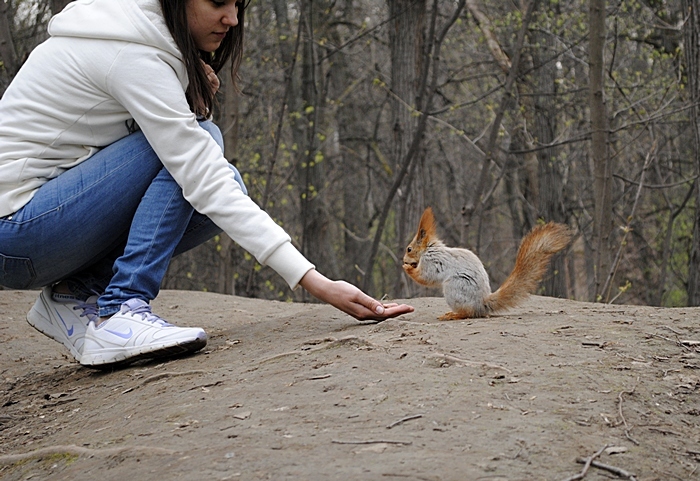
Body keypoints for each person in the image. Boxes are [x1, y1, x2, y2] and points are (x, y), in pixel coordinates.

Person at [0, 0, 413, 368]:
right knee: (206, 151)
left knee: (217, 169)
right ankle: (121, 310)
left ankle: (76, 293)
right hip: (15, 233)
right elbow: (197, 170)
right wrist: (315, 281)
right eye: (218, 2)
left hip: (33, 228)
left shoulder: (137, 35)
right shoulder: (130, 55)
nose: (232, 18)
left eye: (237, 4)